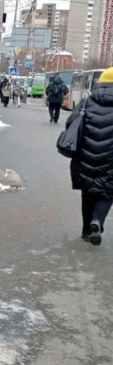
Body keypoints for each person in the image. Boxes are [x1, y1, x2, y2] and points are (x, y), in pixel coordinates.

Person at [67, 68, 113, 246]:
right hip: (111, 159)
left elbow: (71, 123)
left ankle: (87, 230)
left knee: (88, 192)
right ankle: (97, 221)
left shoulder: (87, 102)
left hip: (85, 155)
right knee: (108, 192)